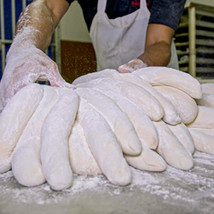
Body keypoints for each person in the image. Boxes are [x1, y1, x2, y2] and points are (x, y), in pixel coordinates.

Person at [0, 0, 186, 110]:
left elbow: (159, 42)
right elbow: (47, 6)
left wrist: (138, 66)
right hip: (107, 88)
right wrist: (25, 44)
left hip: (159, 85)